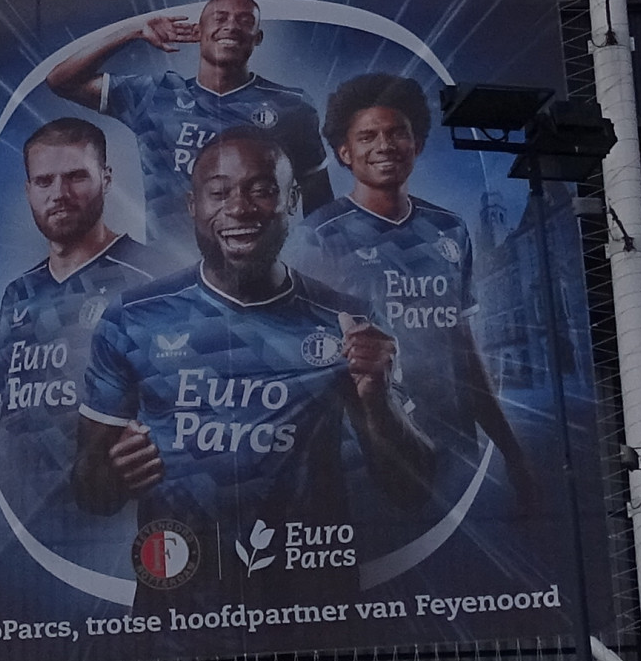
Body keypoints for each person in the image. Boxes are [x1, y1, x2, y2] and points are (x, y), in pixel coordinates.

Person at [71, 128, 453, 600]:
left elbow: (412, 491)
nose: (239, 207)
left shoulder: (346, 321)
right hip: (178, 610)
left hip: (312, 611)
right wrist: (112, 473)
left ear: (292, 201)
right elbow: (90, 490)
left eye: (262, 189)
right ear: (193, 206)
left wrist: (377, 401)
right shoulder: (132, 318)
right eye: (219, 192)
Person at [296, 71, 527, 480]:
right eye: (367, 137)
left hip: (453, 443)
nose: (384, 146)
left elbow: (465, 351)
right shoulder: (319, 235)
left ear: (416, 144)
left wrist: (514, 454)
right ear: (345, 152)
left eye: (396, 133)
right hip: (369, 455)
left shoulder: (449, 229)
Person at [43, 0, 330, 247]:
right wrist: (133, 31)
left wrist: (317, 265)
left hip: (256, 277)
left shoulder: (292, 106)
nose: (231, 26)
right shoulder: (155, 96)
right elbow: (61, 81)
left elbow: (320, 205)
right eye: (219, 18)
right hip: (171, 274)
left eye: (244, 20)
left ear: (258, 37)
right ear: (199, 30)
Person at [0, 119, 164, 503]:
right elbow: (5, 422)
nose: (60, 194)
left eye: (76, 177)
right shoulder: (19, 293)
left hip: (119, 518)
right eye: (45, 181)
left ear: (107, 179)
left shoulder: (154, 277)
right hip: (27, 521)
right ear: (28, 190)